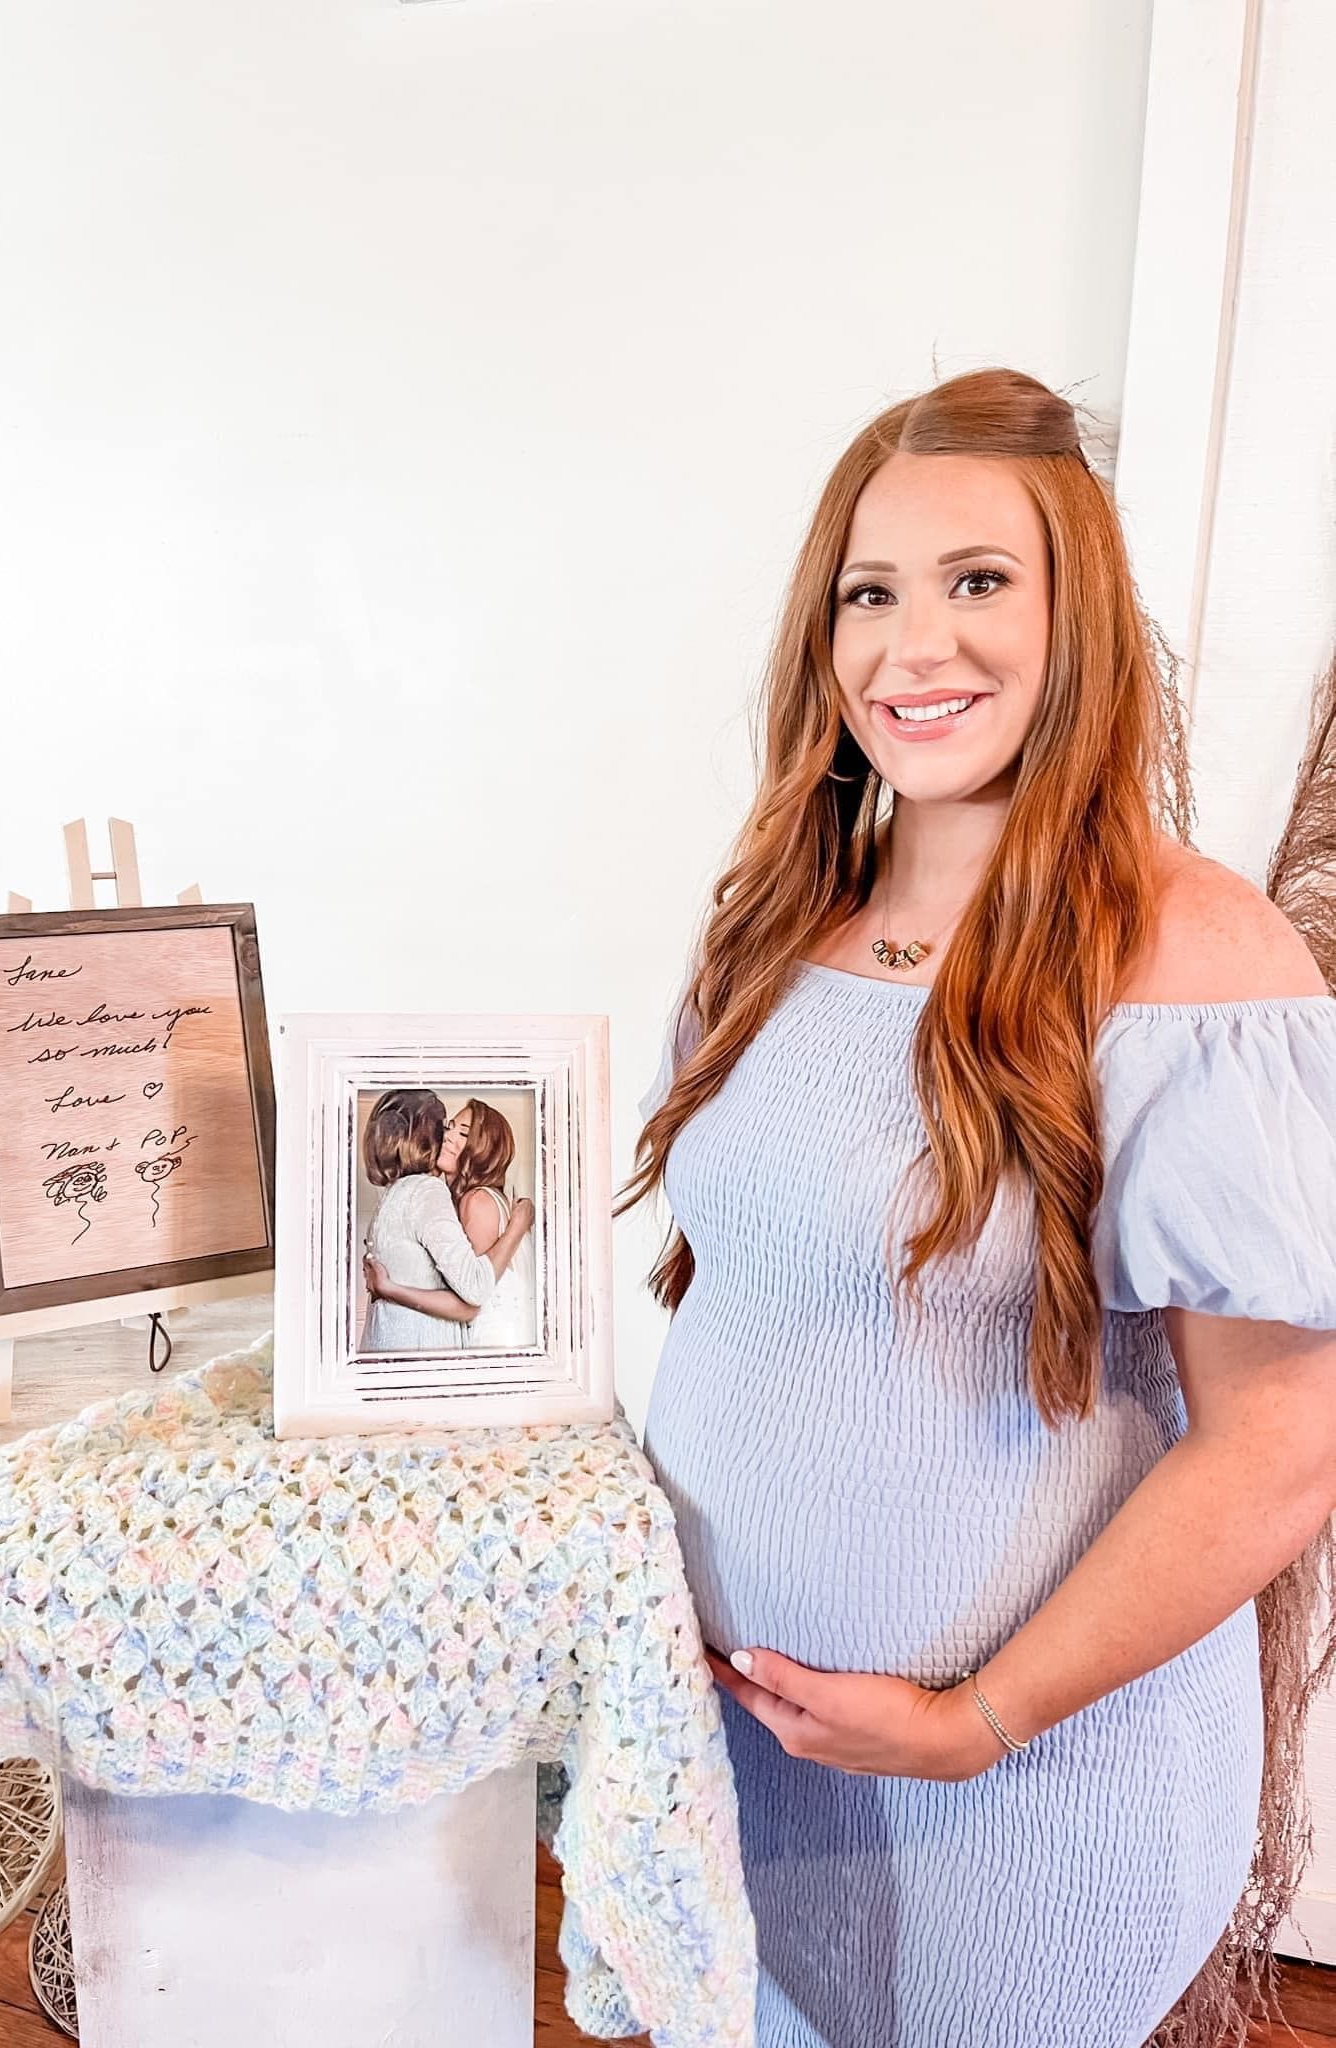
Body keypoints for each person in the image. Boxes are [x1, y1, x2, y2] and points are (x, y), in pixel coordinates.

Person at [620, 366, 1336, 2048]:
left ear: (1069, 609)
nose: (907, 644)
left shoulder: (1188, 954)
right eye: (866, 591)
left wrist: (978, 1714)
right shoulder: (775, 917)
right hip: (741, 1761)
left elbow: (1279, 1445)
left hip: (1015, 1798)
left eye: (974, 582)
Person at [358, 1089, 532, 1352]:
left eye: (463, 1134)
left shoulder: (476, 1201)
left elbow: (470, 1300)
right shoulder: (443, 1199)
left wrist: (388, 1288)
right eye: (449, 1127)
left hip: (487, 1350)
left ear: (482, 1149)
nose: (447, 1136)